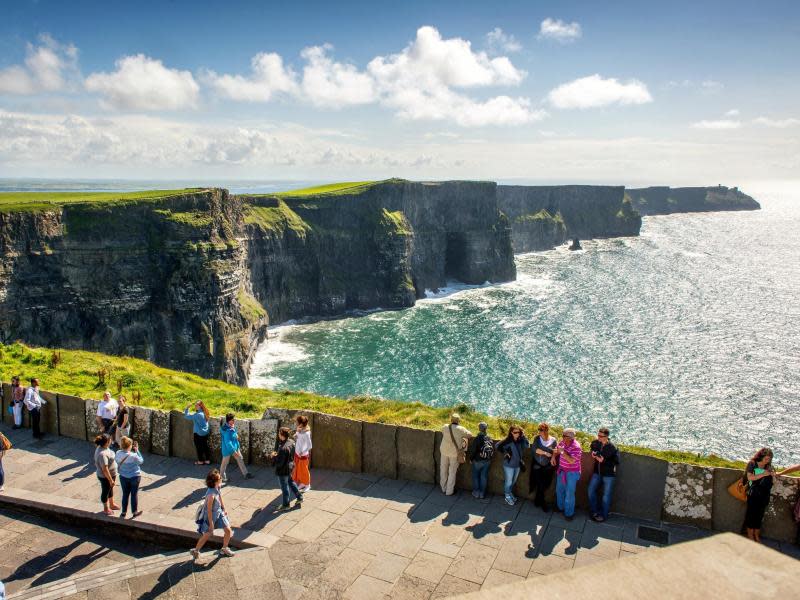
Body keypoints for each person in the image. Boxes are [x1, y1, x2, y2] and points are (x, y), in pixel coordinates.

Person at [743, 449, 800, 542]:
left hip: (765, 494)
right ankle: (750, 534)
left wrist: (773, 475)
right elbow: (749, 478)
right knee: (751, 514)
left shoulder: (769, 466)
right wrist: (763, 474)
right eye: (766, 459)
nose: (767, 461)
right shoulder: (752, 463)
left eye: (769, 459)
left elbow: (773, 482)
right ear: (760, 456)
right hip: (753, 493)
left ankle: (756, 534)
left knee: (760, 515)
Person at [191, 469, 234, 559]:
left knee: (228, 530)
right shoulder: (210, 495)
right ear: (215, 482)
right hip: (211, 516)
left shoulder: (217, 487)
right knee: (207, 534)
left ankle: (224, 548)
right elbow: (209, 510)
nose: (221, 479)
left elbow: (220, 496)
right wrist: (211, 524)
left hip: (219, 512)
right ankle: (196, 551)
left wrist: (223, 508)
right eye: (219, 478)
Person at [587, 427, 620, 522]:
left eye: (601, 436)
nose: (599, 437)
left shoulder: (613, 447)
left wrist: (603, 461)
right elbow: (592, 447)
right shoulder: (596, 443)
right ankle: (594, 511)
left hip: (609, 474)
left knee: (606, 496)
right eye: (598, 435)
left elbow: (617, 462)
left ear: (607, 437)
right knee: (590, 491)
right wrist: (593, 453)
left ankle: (603, 515)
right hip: (597, 472)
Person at [439, 414, 472, 496]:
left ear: (451, 420)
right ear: (458, 421)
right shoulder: (461, 429)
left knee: (443, 469)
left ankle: (443, 488)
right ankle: (449, 491)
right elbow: (469, 435)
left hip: (444, 451)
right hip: (454, 453)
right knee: (452, 472)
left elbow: (442, 431)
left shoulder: (445, 426)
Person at [496, 425, 530, 506]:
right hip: (508, 465)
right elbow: (497, 446)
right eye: (515, 432)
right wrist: (506, 453)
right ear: (511, 432)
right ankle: (507, 496)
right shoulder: (507, 440)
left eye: (519, 432)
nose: (517, 434)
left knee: (513, 481)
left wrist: (523, 436)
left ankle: (509, 493)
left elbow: (527, 446)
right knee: (509, 482)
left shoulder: (520, 440)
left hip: (517, 464)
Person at [271, 426, 303, 510]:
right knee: (291, 482)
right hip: (290, 467)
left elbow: (279, 463)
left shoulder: (283, 448)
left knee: (284, 487)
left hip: (283, 470)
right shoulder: (292, 442)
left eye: (279, 433)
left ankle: (286, 505)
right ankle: (299, 497)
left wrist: (273, 457)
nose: (278, 435)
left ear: (282, 435)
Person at [553, 428, 582, 520]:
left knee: (569, 493)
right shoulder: (562, 442)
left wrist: (562, 452)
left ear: (570, 437)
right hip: (562, 471)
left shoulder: (576, 447)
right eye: (562, 435)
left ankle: (569, 513)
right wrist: (553, 457)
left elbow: (571, 461)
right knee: (559, 490)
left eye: (564, 436)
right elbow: (557, 450)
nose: (562, 437)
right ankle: (560, 507)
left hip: (572, 473)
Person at [529, 422, 557, 511]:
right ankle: (543, 503)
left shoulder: (553, 440)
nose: (541, 431)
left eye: (543, 430)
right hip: (537, 466)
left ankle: (537, 500)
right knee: (540, 484)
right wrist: (545, 453)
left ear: (547, 430)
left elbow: (555, 451)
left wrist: (552, 457)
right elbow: (535, 449)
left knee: (546, 484)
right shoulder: (537, 438)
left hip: (548, 466)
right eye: (540, 430)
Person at [115, 436, 144, 519]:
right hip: (135, 476)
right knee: (134, 494)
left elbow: (117, 460)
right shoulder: (133, 455)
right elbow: (141, 461)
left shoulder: (118, 453)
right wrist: (137, 450)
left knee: (125, 494)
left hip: (123, 476)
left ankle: (123, 512)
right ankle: (134, 512)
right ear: (129, 446)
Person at [220, 413, 253, 483]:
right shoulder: (226, 430)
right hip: (228, 449)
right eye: (232, 420)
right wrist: (233, 451)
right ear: (229, 421)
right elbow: (228, 442)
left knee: (240, 459)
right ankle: (221, 477)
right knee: (224, 463)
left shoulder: (231, 426)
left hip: (235, 447)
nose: (234, 420)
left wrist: (236, 435)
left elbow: (233, 435)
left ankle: (246, 474)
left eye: (234, 419)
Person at [94, 434, 119, 515]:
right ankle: (106, 508)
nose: (111, 440)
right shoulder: (102, 454)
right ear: (107, 442)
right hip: (106, 477)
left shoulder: (102, 447)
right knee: (105, 491)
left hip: (111, 474)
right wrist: (110, 480)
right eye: (110, 440)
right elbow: (105, 469)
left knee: (110, 489)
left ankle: (111, 504)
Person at [470, 422, 493, 499]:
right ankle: (482, 493)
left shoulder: (477, 438)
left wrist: (471, 459)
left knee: (476, 476)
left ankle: (476, 492)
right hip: (487, 460)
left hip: (478, 461)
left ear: (479, 428)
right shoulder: (489, 437)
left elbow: (473, 450)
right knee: (484, 477)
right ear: (486, 429)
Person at [292, 414, 312, 492]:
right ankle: (303, 483)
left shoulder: (306, 433)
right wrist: (295, 434)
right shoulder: (300, 428)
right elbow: (297, 435)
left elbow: (310, 446)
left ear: (301, 423)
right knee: (299, 469)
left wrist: (302, 452)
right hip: (297, 453)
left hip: (302, 455)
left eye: (297, 422)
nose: (296, 423)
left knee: (304, 470)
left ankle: (307, 484)